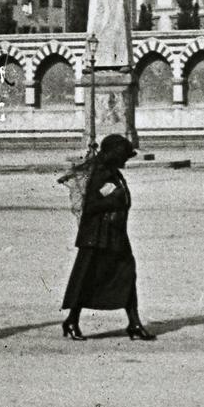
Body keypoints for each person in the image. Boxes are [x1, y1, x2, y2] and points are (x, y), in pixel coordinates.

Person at [61, 133, 155, 341]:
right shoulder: (100, 173)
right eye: (123, 156)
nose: (125, 160)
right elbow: (91, 206)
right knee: (86, 279)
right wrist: (114, 199)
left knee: (127, 275)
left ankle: (134, 323)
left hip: (114, 234)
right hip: (98, 237)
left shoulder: (111, 171)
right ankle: (72, 320)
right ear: (113, 154)